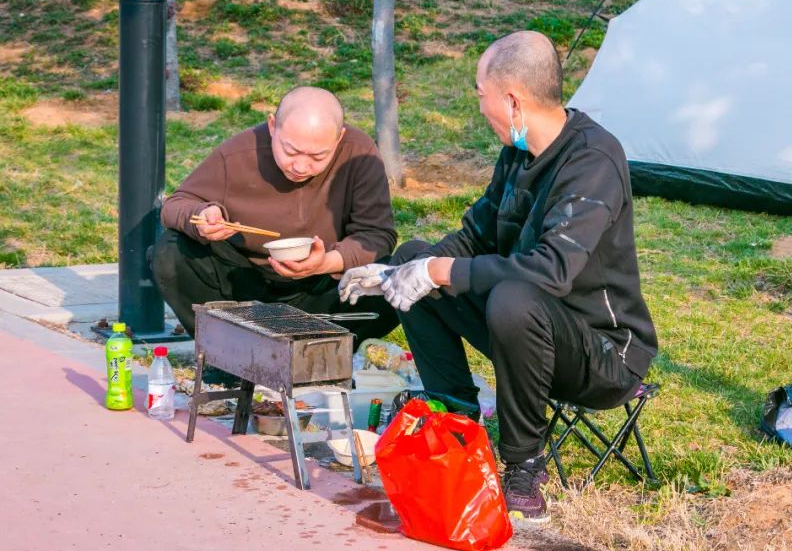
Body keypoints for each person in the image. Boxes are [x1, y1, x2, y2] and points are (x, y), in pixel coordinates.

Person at [338, 32, 658, 521]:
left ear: (512, 100)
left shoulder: (593, 159)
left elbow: (551, 270)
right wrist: (402, 272)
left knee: (512, 296)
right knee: (416, 255)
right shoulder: (517, 152)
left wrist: (441, 271)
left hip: (601, 355)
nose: (479, 105)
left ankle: (524, 466)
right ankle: (455, 420)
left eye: (480, 93)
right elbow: (475, 236)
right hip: (523, 333)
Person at [152, 86, 401, 350]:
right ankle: (228, 351)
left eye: (318, 156)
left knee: (402, 274)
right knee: (171, 252)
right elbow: (175, 205)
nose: (301, 166)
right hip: (242, 282)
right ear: (272, 126)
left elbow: (377, 235)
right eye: (291, 151)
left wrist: (325, 263)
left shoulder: (358, 154)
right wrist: (203, 216)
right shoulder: (238, 152)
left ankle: (322, 350)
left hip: (324, 285)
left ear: (339, 138)